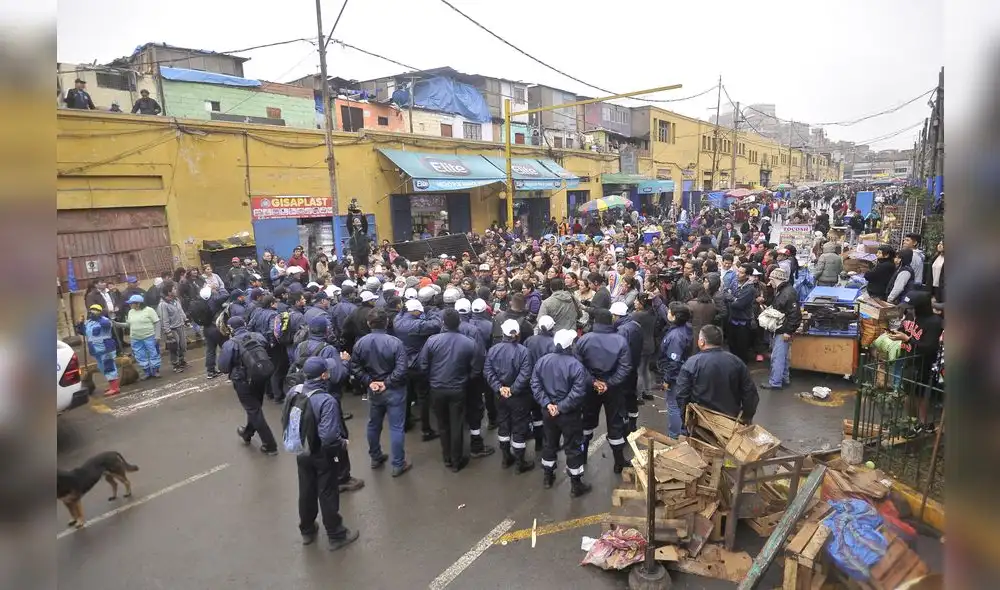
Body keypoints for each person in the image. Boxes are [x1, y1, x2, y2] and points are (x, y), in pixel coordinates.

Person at [286, 357, 360, 551]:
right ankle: (336, 535)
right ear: (324, 375)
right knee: (327, 492)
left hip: (302, 450)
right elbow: (328, 437)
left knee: (306, 490)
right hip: (322, 454)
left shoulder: (295, 391)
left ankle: (307, 530)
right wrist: (342, 443)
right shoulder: (327, 401)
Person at [419, 308, 483, 472]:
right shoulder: (469, 343)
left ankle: (447, 457)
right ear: (459, 322)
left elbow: (423, 364)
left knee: (443, 424)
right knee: (456, 424)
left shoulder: (432, 341)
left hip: (437, 388)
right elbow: (476, 369)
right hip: (458, 389)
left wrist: (432, 379)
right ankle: (456, 460)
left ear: (443, 323)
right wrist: (465, 380)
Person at [350, 309, 412, 477]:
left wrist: (370, 382)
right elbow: (402, 369)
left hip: (374, 390)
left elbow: (355, 366)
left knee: (374, 424)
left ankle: (375, 457)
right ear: (387, 322)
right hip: (394, 390)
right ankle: (398, 464)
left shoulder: (360, 343)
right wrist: (387, 383)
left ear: (368, 323)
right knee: (396, 427)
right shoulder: (395, 343)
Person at [531, 329, 592, 496]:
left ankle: (547, 477)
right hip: (569, 415)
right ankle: (576, 485)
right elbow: (578, 392)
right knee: (573, 447)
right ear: (570, 345)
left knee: (549, 444)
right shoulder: (576, 365)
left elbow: (535, 384)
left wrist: (547, 404)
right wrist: (561, 407)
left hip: (548, 413)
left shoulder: (542, 361)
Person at [575, 308, 632, 473]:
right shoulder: (620, 341)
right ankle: (619, 462)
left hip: (589, 389)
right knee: (615, 424)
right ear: (611, 321)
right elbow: (625, 367)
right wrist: (609, 383)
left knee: (586, 422)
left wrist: (593, 382)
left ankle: (582, 457)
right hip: (613, 389)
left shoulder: (583, 340)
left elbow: (578, 367)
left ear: (595, 322)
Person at [218, 316, 278, 455]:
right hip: (260, 376)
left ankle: (270, 445)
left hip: (242, 381)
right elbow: (266, 349)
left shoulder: (230, 344)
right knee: (255, 408)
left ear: (231, 328)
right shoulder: (258, 336)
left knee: (254, 410)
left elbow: (223, 367)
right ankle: (247, 432)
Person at [674, 326, 759, 424]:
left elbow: (682, 394)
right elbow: (750, 393)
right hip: (729, 421)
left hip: (701, 421)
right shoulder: (737, 362)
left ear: (702, 342)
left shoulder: (692, 363)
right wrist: (746, 417)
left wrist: (685, 418)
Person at [484, 319, 535, 473]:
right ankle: (520, 462)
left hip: (500, 396)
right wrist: (512, 389)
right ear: (518, 333)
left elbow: (488, 371)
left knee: (503, 425)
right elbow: (526, 374)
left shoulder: (493, 350)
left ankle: (506, 458)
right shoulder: (524, 351)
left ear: (503, 333)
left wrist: (500, 388)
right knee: (519, 428)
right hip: (519, 397)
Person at [394, 298, 441, 440]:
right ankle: (426, 430)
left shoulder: (398, 320)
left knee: (407, 395)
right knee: (423, 397)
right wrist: (431, 312)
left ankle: (406, 422)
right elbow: (436, 324)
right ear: (414, 311)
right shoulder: (417, 325)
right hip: (418, 364)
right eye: (419, 312)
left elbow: (402, 312)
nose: (420, 313)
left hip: (403, 363)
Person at [760, 267, 802, 390]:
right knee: (783, 356)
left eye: (771, 279)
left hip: (782, 330)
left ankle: (775, 382)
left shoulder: (786, 293)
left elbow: (795, 314)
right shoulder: (784, 291)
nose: (770, 282)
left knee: (777, 357)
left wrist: (788, 331)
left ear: (775, 279)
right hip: (783, 329)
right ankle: (784, 378)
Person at [658, 302, 693, 438]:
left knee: (673, 406)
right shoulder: (685, 327)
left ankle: (675, 435)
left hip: (676, 377)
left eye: (669, 311)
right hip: (683, 373)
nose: (667, 313)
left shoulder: (676, 336)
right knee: (680, 405)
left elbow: (674, 362)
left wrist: (667, 379)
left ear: (674, 316)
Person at [76, 304, 123, 396]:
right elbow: (83, 332)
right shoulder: (88, 323)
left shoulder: (105, 320)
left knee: (109, 367)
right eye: (91, 310)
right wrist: (80, 324)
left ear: (100, 312)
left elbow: (106, 325)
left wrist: (98, 317)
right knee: (102, 368)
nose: (92, 312)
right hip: (95, 350)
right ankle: (112, 385)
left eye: (95, 310)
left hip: (106, 348)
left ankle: (115, 388)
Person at [611, 301, 643, 434]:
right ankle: (633, 423)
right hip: (633, 367)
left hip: (623, 370)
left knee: (622, 398)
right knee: (631, 396)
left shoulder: (622, 330)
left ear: (616, 316)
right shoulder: (636, 325)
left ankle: (624, 427)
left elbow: (618, 351)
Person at [726, 264, 758, 364]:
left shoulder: (749, 289)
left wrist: (731, 299)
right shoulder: (735, 283)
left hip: (743, 323)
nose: (737, 274)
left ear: (747, 275)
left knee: (741, 349)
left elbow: (739, 304)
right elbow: (725, 293)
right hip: (732, 320)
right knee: (732, 346)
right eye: (738, 271)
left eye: (741, 272)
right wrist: (733, 299)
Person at [124, 293, 161, 379]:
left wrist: (157, 336)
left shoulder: (149, 310)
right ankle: (147, 372)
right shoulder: (130, 312)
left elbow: (157, 322)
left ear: (138, 303)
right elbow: (128, 324)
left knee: (153, 353)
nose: (130, 305)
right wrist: (117, 324)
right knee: (140, 355)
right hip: (135, 338)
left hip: (149, 336)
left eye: (131, 303)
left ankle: (155, 371)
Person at [157, 284, 189, 373]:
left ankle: (182, 361)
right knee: (174, 347)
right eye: (174, 289)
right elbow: (164, 319)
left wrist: (185, 319)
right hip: (172, 329)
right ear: (169, 292)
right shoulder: (163, 304)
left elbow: (181, 311)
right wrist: (167, 331)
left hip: (180, 326)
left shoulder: (176, 300)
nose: (176, 290)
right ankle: (175, 364)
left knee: (183, 346)